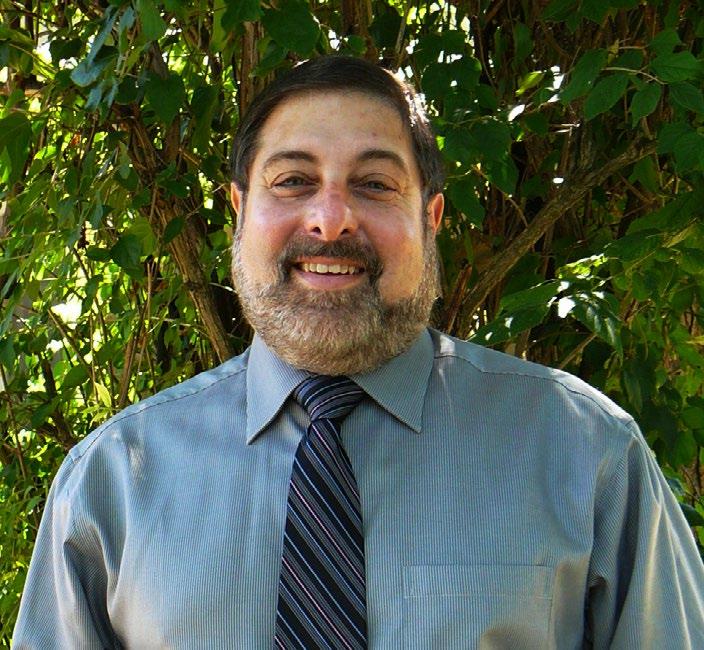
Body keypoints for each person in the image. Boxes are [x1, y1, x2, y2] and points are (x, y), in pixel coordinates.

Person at [13, 55, 704, 649]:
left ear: (430, 219)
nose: (331, 219)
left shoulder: (585, 454)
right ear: (239, 211)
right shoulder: (113, 484)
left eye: (375, 184)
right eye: (293, 180)